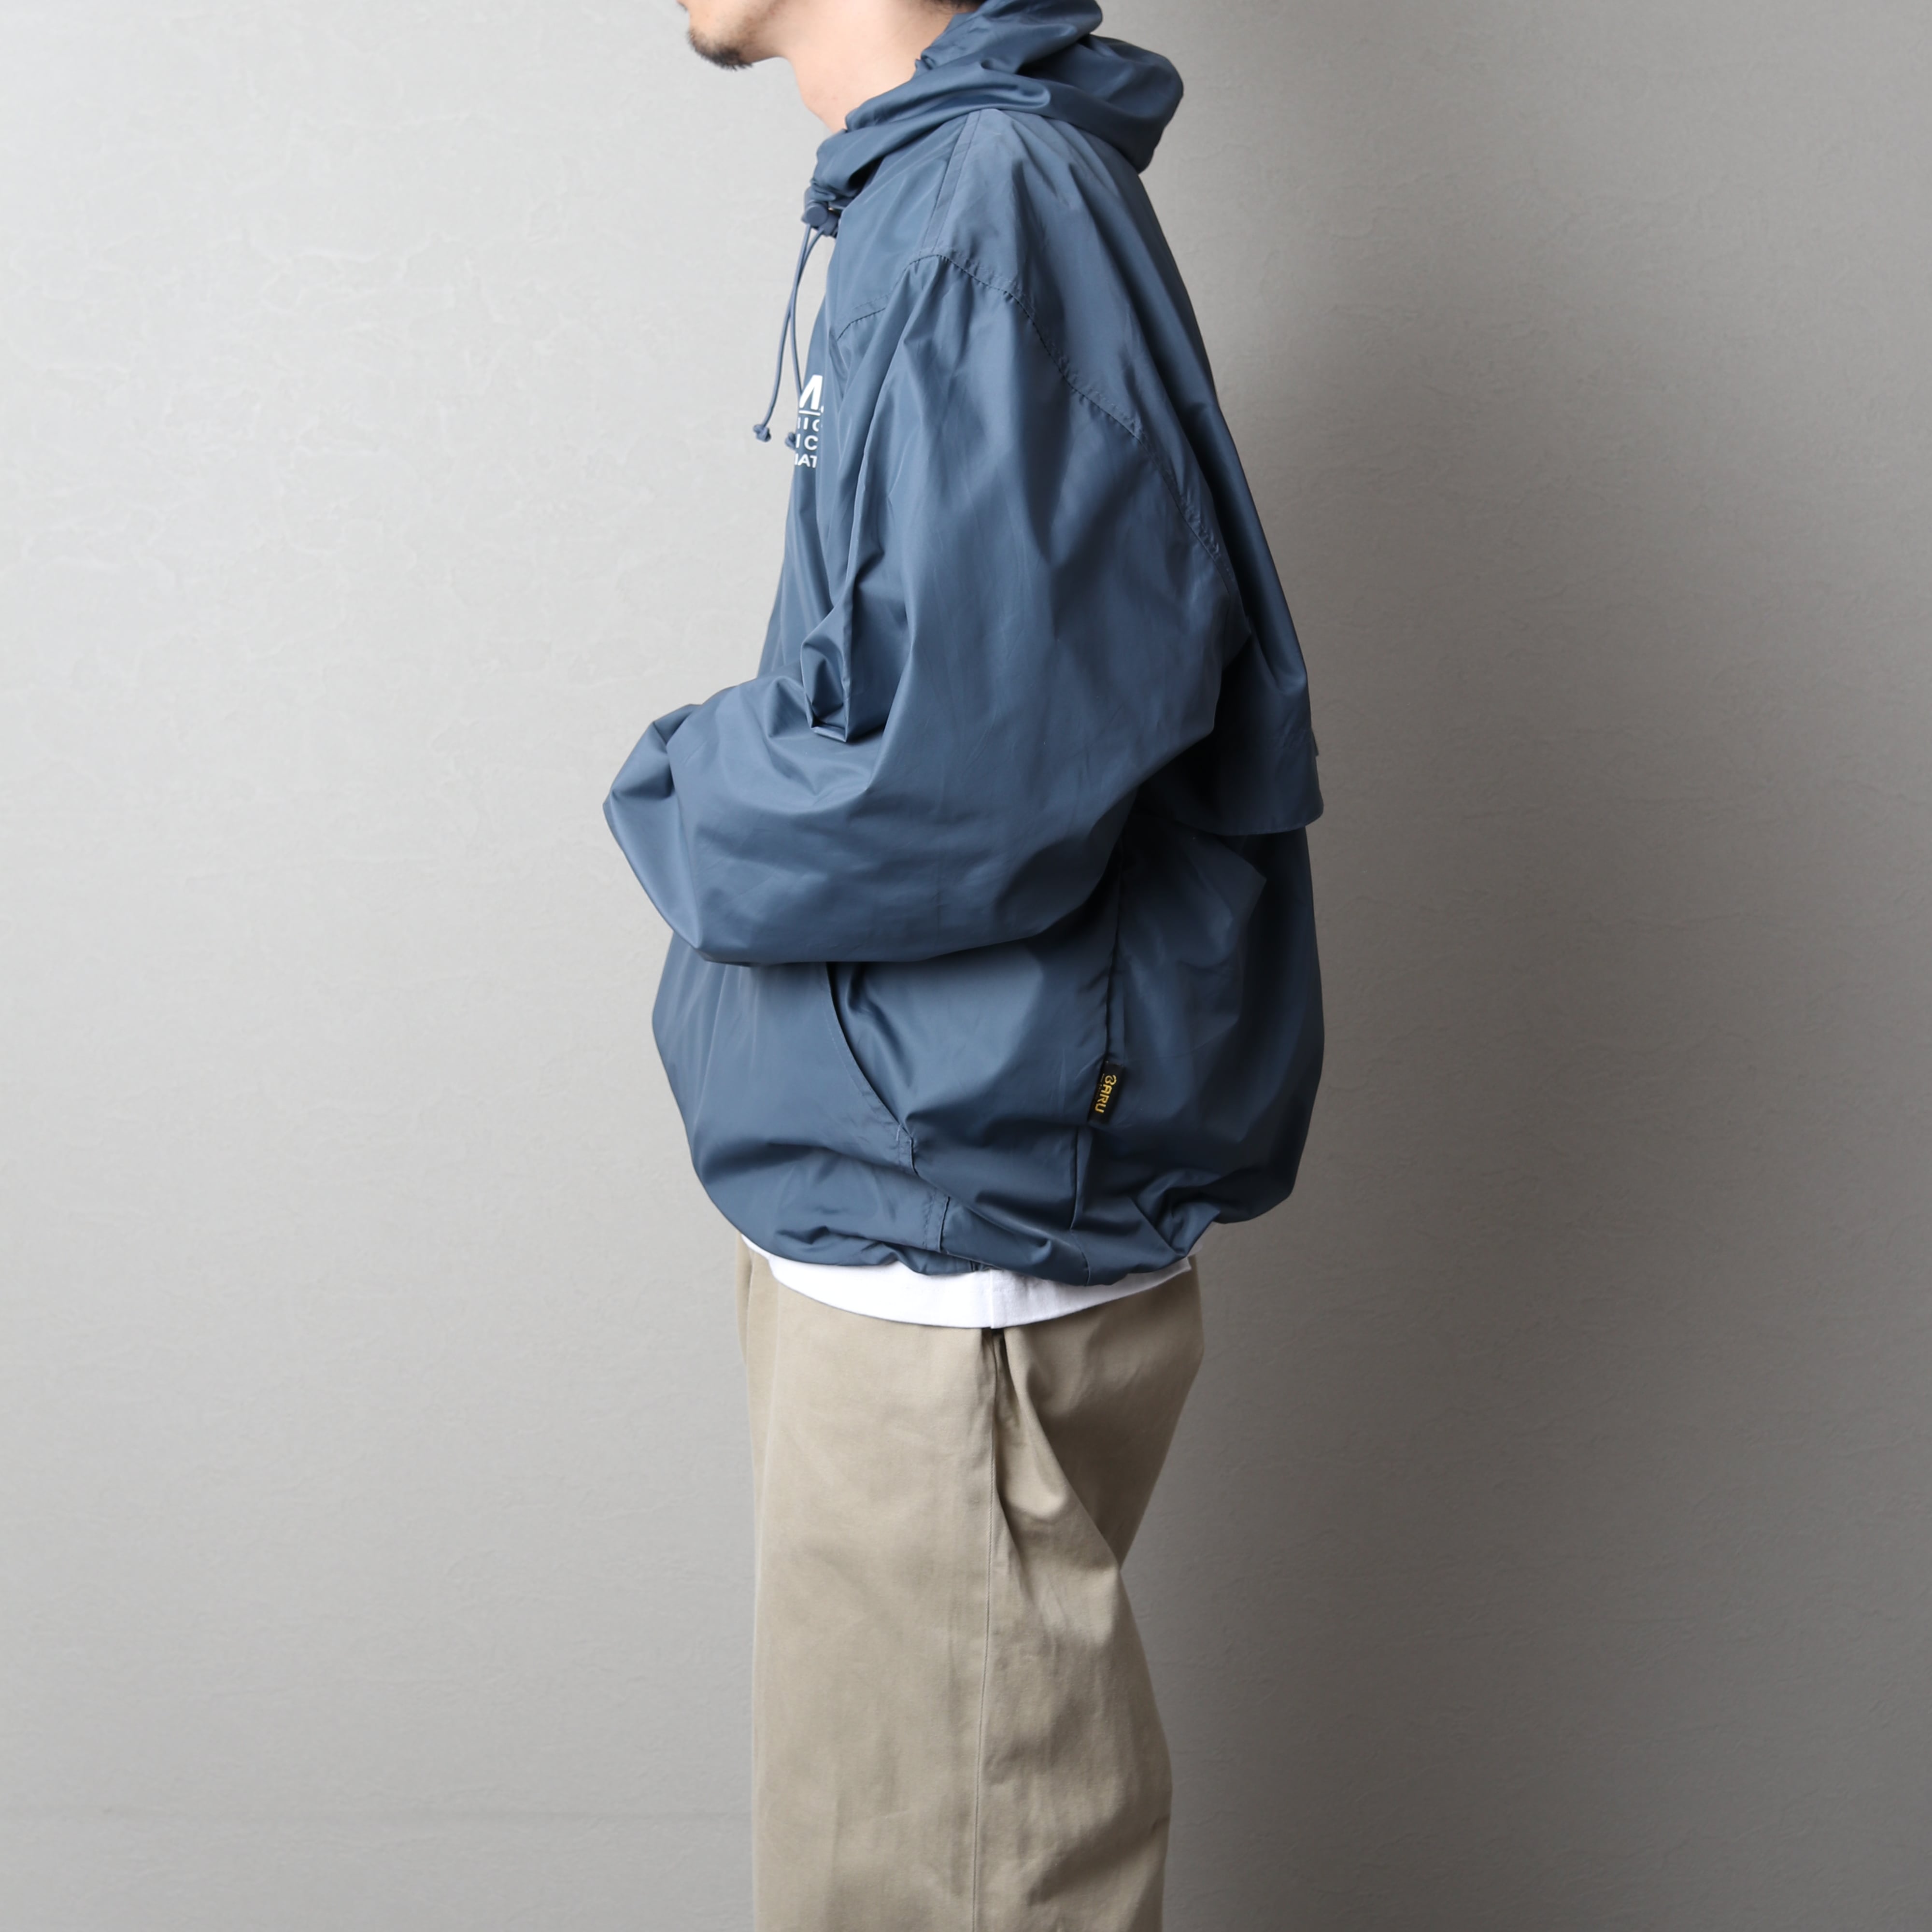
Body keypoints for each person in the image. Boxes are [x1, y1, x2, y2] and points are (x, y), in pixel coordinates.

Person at [604, 0, 1323, 1922]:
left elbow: (978, 771)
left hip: (950, 1232)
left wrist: (681, 785)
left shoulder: (989, 202)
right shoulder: (955, 190)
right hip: (922, 1192)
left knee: (939, 1887)